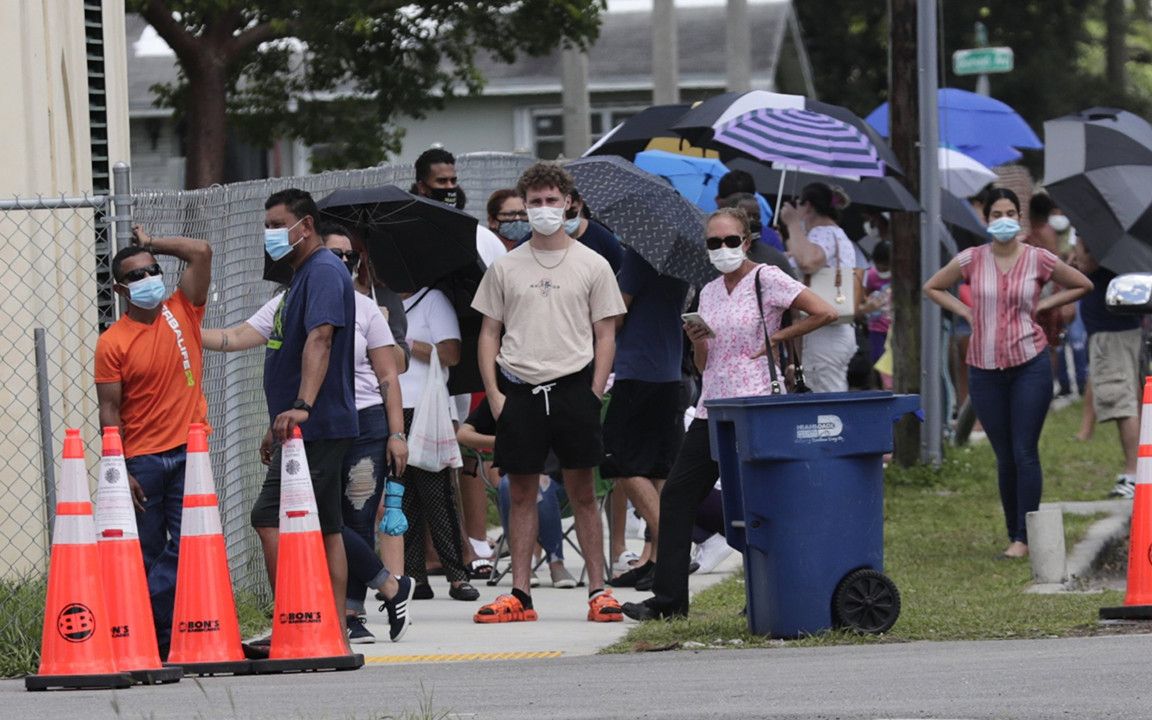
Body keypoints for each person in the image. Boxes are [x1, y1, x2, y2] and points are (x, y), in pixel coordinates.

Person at [621, 207, 837, 621]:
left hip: (754, 403)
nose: (722, 249)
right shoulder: (708, 290)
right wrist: (697, 339)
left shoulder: (766, 279)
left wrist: (777, 337)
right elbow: (705, 364)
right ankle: (669, 602)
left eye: (729, 241)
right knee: (679, 494)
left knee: (758, 501)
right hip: (712, 403)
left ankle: (774, 589)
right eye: (713, 243)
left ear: (747, 241)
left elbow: (824, 311)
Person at [204, 223, 416, 644]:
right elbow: (237, 336)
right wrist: (182, 331)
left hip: (363, 423)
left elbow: (389, 376)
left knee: (349, 519)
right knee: (323, 521)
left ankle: (351, 614)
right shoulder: (289, 300)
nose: (338, 263)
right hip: (311, 426)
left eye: (348, 257)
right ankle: (381, 590)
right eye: (332, 254)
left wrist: (397, 434)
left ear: (357, 266)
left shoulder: (366, 309)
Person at [472, 162, 627, 623]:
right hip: (519, 388)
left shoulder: (592, 263)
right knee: (520, 492)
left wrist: (594, 390)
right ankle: (520, 593)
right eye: (534, 203)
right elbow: (487, 334)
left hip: (574, 387)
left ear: (569, 204)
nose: (542, 210)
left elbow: (606, 333)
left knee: (581, 491)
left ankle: (598, 589)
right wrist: (495, 395)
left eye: (550, 202)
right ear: (523, 208)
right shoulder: (505, 266)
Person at [924, 188, 1092, 559]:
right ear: (986, 220)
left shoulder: (1038, 258)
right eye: (996, 212)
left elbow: (1083, 284)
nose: (1003, 219)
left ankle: (1024, 536)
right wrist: (966, 313)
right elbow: (932, 287)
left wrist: (1045, 302)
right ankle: (1013, 530)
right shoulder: (971, 259)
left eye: (1010, 212)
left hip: (1029, 362)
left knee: (1025, 451)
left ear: (1019, 218)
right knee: (1004, 455)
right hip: (984, 368)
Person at [94, 226, 212, 658]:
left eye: (153, 270)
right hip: (141, 461)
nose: (149, 280)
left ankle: (139, 610)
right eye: (138, 275)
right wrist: (118, 468)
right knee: (146, 550)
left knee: (184, 547)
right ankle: (157, 643)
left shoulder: (183, 309)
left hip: (188, 455)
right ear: (121, 289)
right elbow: (110, 411)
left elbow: (201, 250)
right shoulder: (112, 342)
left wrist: (152, 244)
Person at [249, 188, 358, 643]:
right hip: (306, 427)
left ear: (306, 226)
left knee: (268, 517)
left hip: (317, 424)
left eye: (279, 225)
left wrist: (302, 408)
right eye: (268, 225)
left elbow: (321, 339)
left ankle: (295, 620)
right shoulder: (300, 276)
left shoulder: (324, 272)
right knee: (328, 527)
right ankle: (332, 628)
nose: (271, 234)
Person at [601, 246, 690, 591]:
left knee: (621, 460)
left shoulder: (640, 257)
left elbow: (618, 311)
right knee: (657, 469)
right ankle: (653, 559)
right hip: (669, 374)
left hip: (638, 371)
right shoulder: (680, 262)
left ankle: (669, 550)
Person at [456, 401, 576, 588]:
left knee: (540, 484)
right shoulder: (508, 396)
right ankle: (525, 565)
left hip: (561, 484)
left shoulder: (559, 392)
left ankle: (555, 561)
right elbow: (463, 434)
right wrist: (499, 441)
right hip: (515, 479)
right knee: (508, 484)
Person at [1071, 241, 1143, 498]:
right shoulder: (1112, 235)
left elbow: (1086, 266)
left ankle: (1134, 475)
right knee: (1129, 399)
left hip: (1111, 331)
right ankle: (1136, 472)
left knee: (1122, 405)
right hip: (1117, 329)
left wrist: (1081, 246)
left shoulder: (1099, 237)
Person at [778, 182, 863, 393]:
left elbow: (808, 261)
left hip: (824, 334)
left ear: (807, 206)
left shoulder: (823, 232)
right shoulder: (836, 234)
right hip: (834, 332)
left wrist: (792, 223)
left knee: (827, 405)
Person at [860, 240, 893, 389]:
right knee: (877, 360)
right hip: (876, 328)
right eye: (879, 266)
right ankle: (880, 387)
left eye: (885, 266)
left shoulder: (898, 275)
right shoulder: (872, 275)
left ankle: (889, 386)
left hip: (892, 328)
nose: (882, 269)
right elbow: (863, 296)